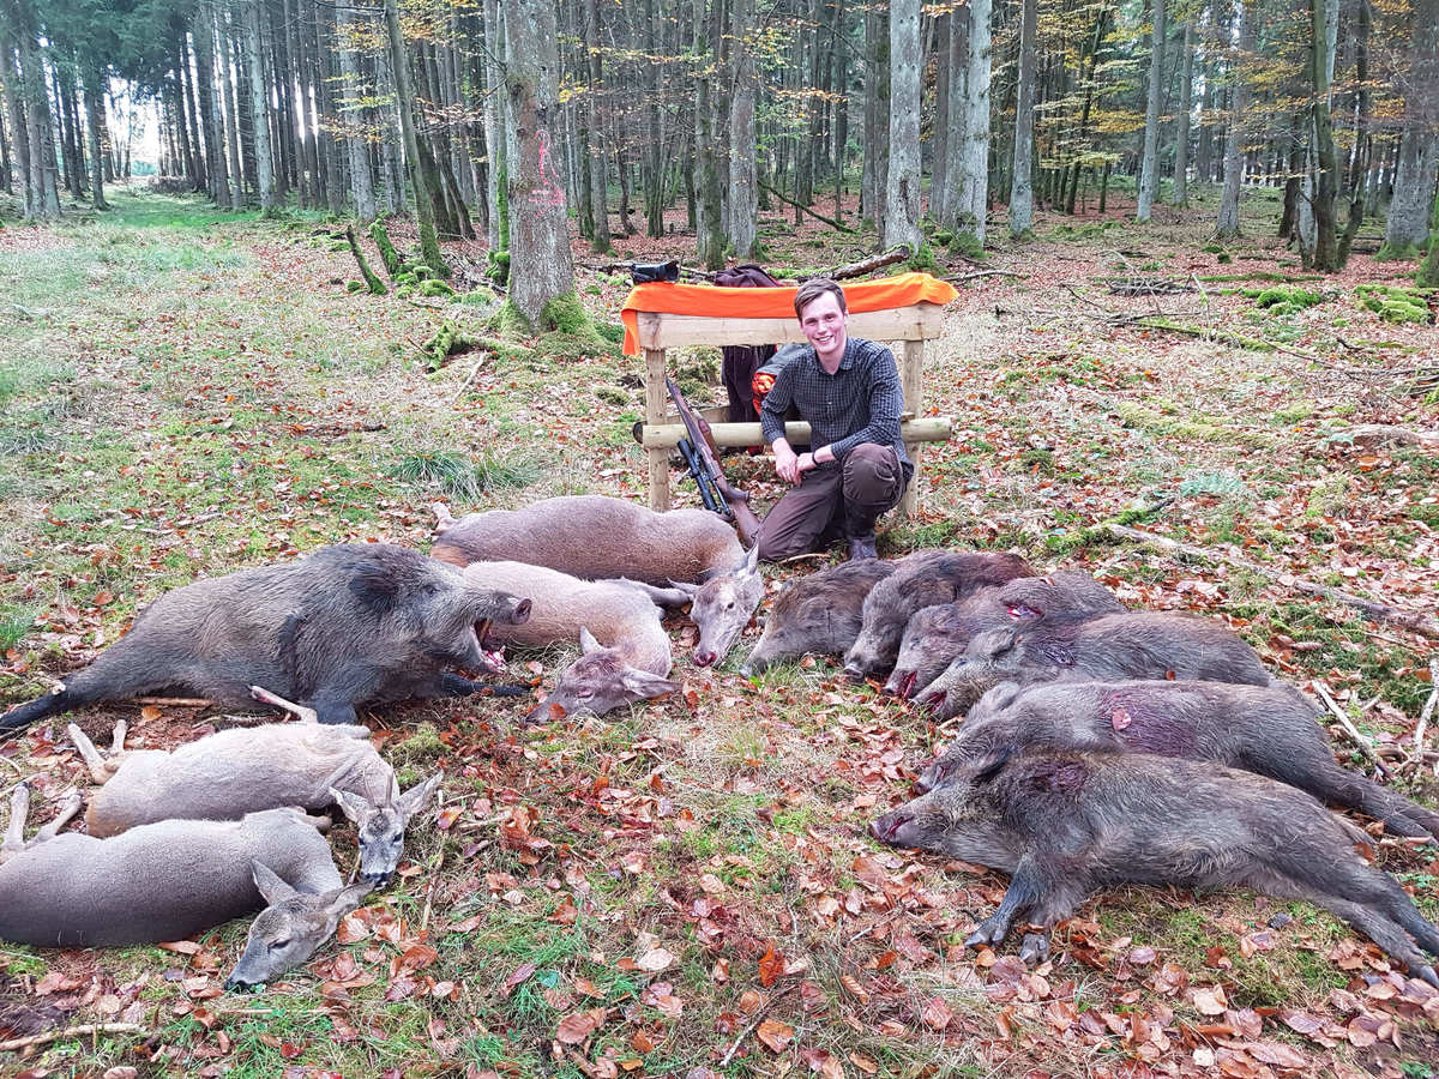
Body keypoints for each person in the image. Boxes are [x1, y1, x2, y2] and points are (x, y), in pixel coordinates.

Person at [755, 278, 911, 562]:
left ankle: (861, 534)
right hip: (827, 473)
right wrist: (781, 449)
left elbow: (884, 429)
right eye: (812, 321)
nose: (822, 329)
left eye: (830, 317)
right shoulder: (795, 369)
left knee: (866, 461)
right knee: (770, 548)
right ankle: (836, 520)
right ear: (802, 327)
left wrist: (816, 457)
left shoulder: (876, 359)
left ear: (846, 316)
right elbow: (770, 410)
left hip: (878, 468)